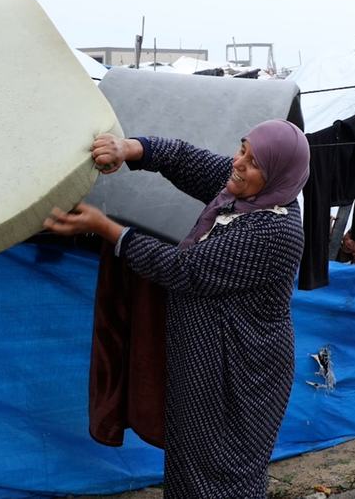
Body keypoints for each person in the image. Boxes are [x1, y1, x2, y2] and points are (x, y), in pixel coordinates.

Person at [43, 121, 309, 498]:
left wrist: (107, 228)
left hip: (238, 374)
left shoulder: (273, 231)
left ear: (277, 174)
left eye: (252, 161)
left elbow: (185, 270)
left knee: (223, 472)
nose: (238, 162)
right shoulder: (245, 191)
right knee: (188, 461)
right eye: (242, 148)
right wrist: (129, 149)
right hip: (205, 362)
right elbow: (186, 159)